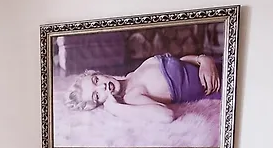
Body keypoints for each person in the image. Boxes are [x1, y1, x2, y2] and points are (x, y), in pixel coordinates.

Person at [65, 53, 221, 124]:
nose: (102, 86)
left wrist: (203, 59)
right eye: (97, 95)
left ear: (100, 74)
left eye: (96, 80)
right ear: (101, 103)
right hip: (221, 85)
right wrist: (116, 108)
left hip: (216, 64)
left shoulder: (133, 73)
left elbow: (179, 62)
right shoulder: (131, 96)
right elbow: (166, 116)